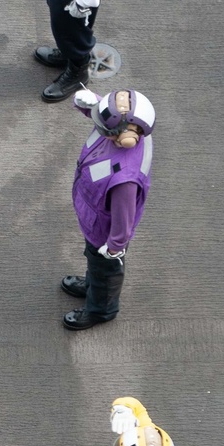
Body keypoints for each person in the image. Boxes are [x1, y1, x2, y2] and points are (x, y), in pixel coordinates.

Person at [61, 87, 156, 330]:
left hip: (103, 232)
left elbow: (123, 220)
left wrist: (114, 248)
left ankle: (101, 309)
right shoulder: (132, 127)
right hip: (94, 221)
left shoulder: (125, 177)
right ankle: (93, 284)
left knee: (104, 269)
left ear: (121, 135)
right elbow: (109, 117)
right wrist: (90, 104)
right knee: (94, 262)